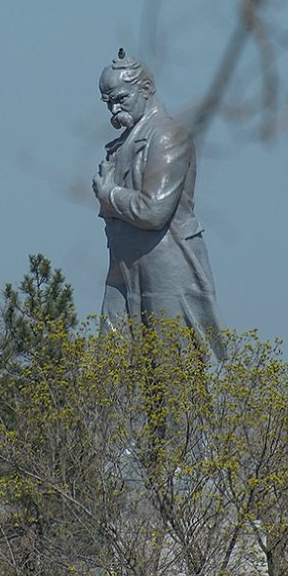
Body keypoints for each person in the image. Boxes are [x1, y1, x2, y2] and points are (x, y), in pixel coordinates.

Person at [91, 49, 227, 360]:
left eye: (121, 98)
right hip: (124, 271)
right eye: (107, 101)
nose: (113, 108)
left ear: (146, 90)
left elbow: (153, 210)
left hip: (166, 269)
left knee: (171, 373)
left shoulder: (167, 137)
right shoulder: (121, 144)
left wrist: (108, 194)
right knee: (112, 373)